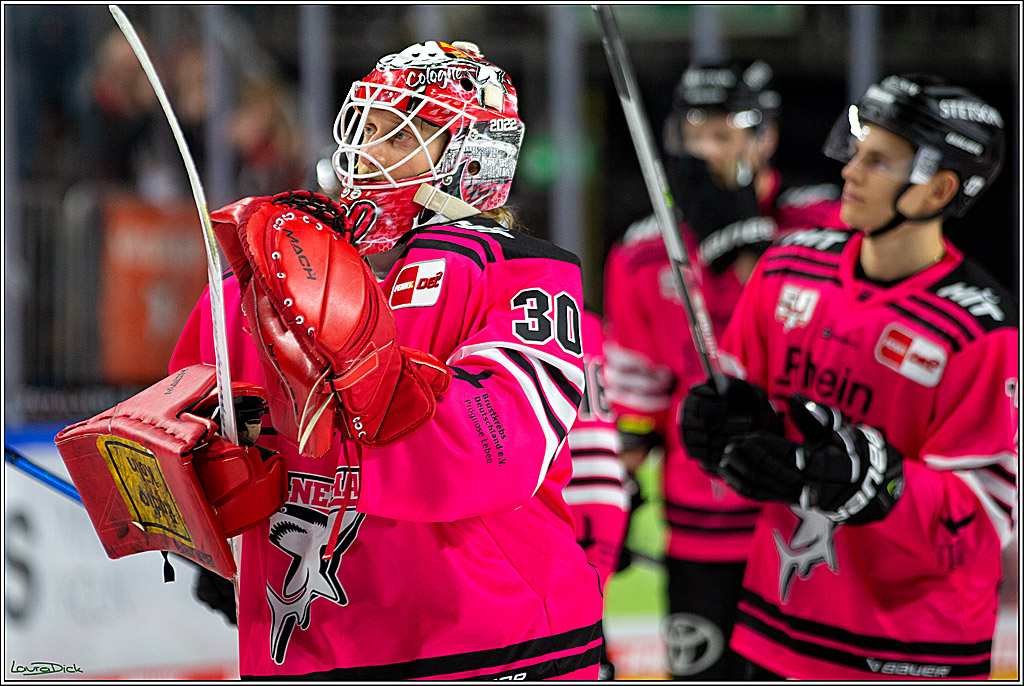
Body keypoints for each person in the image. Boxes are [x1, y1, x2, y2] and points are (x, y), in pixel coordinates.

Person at [169, 40, 604, 679]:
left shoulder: (524, 275)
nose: (365, 153)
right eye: (365, 129)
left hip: (486, 640)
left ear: (471, 157)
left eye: (398, 136)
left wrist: (350, 358)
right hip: (311, 644)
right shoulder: (269, 279)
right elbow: (192, 420)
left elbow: (492, 449)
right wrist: (201, 504)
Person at [679, 73, 1017, 679]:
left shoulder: (980, 331)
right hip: (776, 630)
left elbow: (987, 521)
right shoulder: (788, 268)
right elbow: (750, 407)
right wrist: (722, 431)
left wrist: (880, 483)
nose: (851, 171)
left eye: (879, 161)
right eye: (857, 151)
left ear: (939, 188)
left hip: (911, 653)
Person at [602, 59, 845, 680]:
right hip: (700, 517)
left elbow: (829, 343)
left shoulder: (825, 225)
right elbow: (638, 395)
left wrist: (743, 244)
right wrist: (610, 496)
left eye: (725, 132)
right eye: (693, 134)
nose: (707, 149)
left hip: (807, 509)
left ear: (766, 136)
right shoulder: (643, 253)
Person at [564, 310, 631, 680]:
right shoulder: (593, 324)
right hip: (606, 491)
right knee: (589, 618)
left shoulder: (511, 312)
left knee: (557, 628)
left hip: (556, 488)